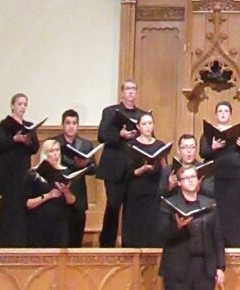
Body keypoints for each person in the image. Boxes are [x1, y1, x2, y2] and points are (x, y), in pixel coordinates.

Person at [96, 79, 145, 248]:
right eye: (127, 89)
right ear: (122, 92)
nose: (131, 92)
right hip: (114, 166)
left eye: (134, 89)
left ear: (137, 93)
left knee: (132, 208)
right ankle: (106, 245)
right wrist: (120, 135)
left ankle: (130, 243)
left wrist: (141, 134)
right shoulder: (110, 112)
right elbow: (102, 135)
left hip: (134, 167)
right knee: (113, 205)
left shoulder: (142, 115)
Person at [199, 101, 240, 247]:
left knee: (233, 215)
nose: (223, 114)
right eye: (220, 111)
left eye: (226, 111)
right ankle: (216, 245)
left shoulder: (239, 132)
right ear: (216, 114)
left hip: (234, 180)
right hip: (215, 179)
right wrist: (213, 147)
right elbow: (203, 152)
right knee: (216, 213)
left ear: (230, 114)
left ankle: (235, 245)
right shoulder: (209, 133)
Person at [0, 93, 40, 247]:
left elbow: (35, 148)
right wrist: (15, 139)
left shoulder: (29, 126)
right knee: (7, 205)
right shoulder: (4, 125)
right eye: (19, 104)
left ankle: (20, 242)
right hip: (7, 169)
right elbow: (1, 145)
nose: (22, 107)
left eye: (25, 104)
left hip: (22, 168)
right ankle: (4, 243)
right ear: (12, 105)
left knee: (21, 203)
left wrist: (27, 141)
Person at [122, 112, 168, 248]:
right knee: (137, 227)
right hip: (137, 189)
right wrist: (141, 169)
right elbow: (127, 172)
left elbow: (164, 167)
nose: (148, 127)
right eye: (144, 124)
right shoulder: (131, 145)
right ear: (138, 127)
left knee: (153, 226)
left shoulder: (160, 145)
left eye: (150, 123)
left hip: (154, 189)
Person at [54, 109, 97, 247]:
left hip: (78, 195)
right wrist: (72, 163)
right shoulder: (54, 143)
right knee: (58, 237)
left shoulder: (86, 144)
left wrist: (85, 164)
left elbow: (94, 169)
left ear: (78, 125)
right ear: (62, 125)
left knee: (76, 237)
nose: (71, 126)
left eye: (74, 123)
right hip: (58, 192)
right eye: (68, 123)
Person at [24, 139, 76, 248]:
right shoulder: (33, 174)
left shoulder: (66, 173)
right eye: (52, 151)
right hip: (39, 222)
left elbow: (72, 201)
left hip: (60, 223)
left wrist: (66, 191)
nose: (56, 154)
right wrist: (48, 196)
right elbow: (27, 203)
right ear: (45, 153)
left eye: (58, 150)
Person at [162, 134, 213, 198]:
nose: (189, 151)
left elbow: (213, 195)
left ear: (196, 149)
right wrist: (170, 187)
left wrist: (200, 189)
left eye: (192, 147)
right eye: (185, 147)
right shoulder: (168, 170)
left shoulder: (206, 169)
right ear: (178, 150)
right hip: (175, 205)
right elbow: (158, 197)